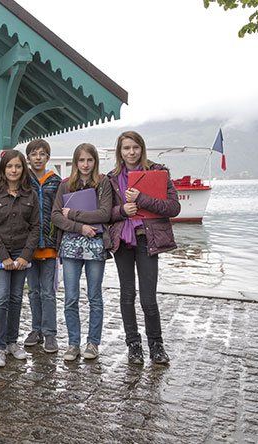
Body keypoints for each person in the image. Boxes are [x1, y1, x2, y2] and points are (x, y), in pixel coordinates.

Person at [107, 131, 180, 365]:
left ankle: (156, 346)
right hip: (123, 242)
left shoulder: (158, 173)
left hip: (148, 241)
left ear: (142, 148)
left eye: (135, 147)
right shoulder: (111, 178)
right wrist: (122, 212)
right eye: (126, 148)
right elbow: (105, 213)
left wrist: (142, 199)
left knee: (148, 298)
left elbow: (173, 208)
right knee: (127, 296)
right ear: (120, 151)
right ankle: (134, 346)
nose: (131, 152)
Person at [51, 143, 112, 362]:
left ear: (95, 162)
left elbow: (104, 214)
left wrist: (74, 214)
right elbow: (56, 216)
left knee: (94, 297)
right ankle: (73, 343)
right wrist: (80, 227)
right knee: (70, 298)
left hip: (96, 246)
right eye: (81, 160)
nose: (85, 164)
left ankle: (93, 343)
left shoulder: (104, 183)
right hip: (70, 246)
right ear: (75, 162)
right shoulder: (66, 184)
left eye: (90, 160)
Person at [0, 150, 41, 367]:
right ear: (3, 169)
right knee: (1, 298)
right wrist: (4, 256)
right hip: (0, 254)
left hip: (22, 254)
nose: (14, 170)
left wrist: (26, 256)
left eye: (17, 166)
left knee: (16, 298)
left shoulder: (30, 194)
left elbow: (35, 227)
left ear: (22, 169)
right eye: (9, 167)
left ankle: (11, 342)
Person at [22, 139, 62, 353]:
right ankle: (35, 329)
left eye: (42, 153)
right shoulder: (22, 180)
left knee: (48, 291)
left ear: (48, 157)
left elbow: (61, 209)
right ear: (27, 158)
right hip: (27, 245)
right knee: (33, 291)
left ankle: (49, 333)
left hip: (48, 244)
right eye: (33, 154)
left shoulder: (56, 181)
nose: (38, 157)